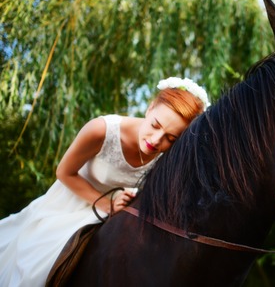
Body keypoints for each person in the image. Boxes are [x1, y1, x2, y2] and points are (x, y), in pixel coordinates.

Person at [0, 77, 210, 287]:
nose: (156, 140)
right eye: (155, 125)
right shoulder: (101, 130)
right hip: (71, 203)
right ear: (150, 108)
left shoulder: (168, 155)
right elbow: (64, 172)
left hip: (118, 210)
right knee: (33, 270)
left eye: (171, 138)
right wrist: (105, 204)